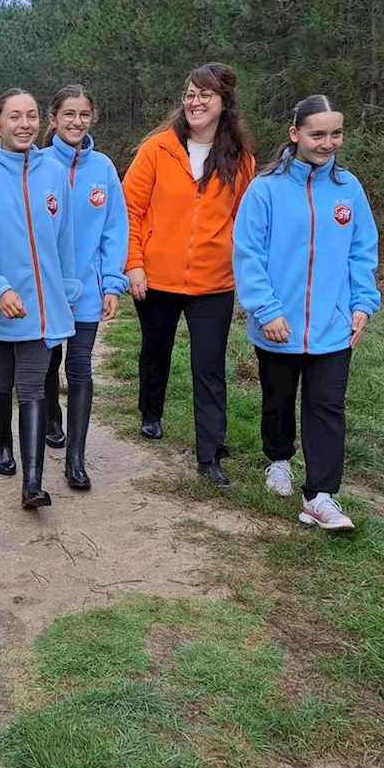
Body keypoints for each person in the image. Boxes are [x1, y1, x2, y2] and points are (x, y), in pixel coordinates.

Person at [233, 94, 381, 532]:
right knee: (278, 399)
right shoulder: (266, 189)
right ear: (294, 134)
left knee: (327, 406)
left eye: (336, 134)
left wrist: (361, 304)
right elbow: (248, 255)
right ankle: (278, 459)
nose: (328, 143)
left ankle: (321, 496)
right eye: (318, 134)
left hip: (333, 326)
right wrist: (266, 310)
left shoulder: (350, 189)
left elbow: (362, 252)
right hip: (278, 324)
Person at [121, 62, 256, 485]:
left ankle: (209, 453)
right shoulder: (157, 150)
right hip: (156, 277)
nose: (195, 102)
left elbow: (245, 221)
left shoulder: (241, 160)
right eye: (190, 94)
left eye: (205, 95)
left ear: (224, 103)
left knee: (209, 368)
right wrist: (134, 264)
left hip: (213, 283)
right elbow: (129, 210)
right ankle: (151, 410)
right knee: (155, 350)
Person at [0, 89, 80, 510]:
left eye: (31, 115)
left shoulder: (54, 174)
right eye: (15, 116)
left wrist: (67, 287)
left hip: (41, 307)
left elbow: (64, 239)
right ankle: (0, 443)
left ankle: (33, 483)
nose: (25, 123)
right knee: (1, 381)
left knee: (33, 387)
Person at [40, 84, 129, 489]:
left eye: (84, 115)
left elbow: (115, 230)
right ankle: (48, 416)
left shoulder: (104, 169)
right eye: (69, 114)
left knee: (79, 367)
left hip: (89, 291)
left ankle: (76, 458)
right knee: (45, 364)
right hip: (45, 289)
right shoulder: (37, 164)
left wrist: (112, 283)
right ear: (53, 119)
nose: (77, 122)